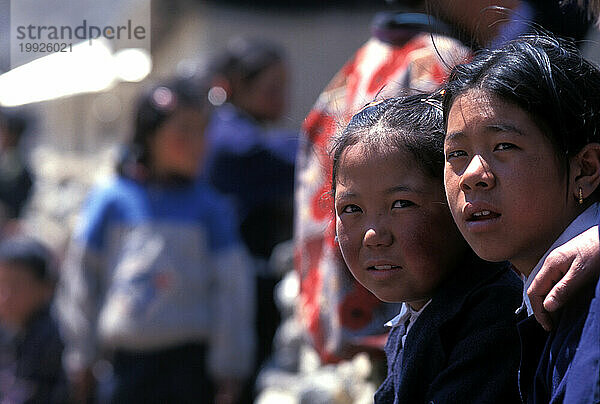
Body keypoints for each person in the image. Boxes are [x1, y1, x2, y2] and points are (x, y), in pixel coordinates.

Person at [56, 78, 255, 404]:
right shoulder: (112, 200)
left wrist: (230, 369)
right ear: (149, 135)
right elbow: (81, 282)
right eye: (184, 130)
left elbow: (231, 293)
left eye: (202, 131)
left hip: (190, 370)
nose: (198, 143)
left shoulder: (209, 208)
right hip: (124, 367)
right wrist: (81, 357)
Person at [330, 93, 522, 403]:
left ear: (456, 201)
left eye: (401, 204)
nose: (374, 235)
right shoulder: (417, 312)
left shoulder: (495, 316)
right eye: (351, 209)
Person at [442, 32, 600, 403]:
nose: (472, 174)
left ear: (586, 168)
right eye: (456, 154)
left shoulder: (592, 297)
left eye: (504, 146)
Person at [203, 37, 296, 385]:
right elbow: (294, 156)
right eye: (273, 87)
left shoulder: (233, 131)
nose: (282, 98)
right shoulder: (234, 141)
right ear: (236, 86)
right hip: (238, 290)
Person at [0, 235, 67, 404]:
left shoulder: (60, 343)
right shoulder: (7, 332)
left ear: (46, 288)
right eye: (1, 285)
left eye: (16, 286)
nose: (5, 297)